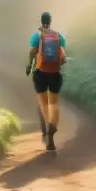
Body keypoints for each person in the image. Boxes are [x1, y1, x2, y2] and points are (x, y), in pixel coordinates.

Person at [26, 11, 66, 151]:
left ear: (41, 21)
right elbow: (63, 56)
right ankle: (51, 132)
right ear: (50, 20)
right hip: (55, 74)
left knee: (43, 102)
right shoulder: (58, 36)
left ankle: (45, 125)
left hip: (41, 73)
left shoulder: (36, 36)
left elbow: (32, 52)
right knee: (54, 104)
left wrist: (29, 64)